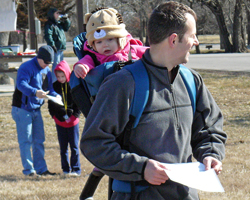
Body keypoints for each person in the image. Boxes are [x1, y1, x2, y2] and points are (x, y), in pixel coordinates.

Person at [80, 2, 227, 200]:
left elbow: (210, 128)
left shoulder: (192, 80)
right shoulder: (122, 84)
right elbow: (94, 143)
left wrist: (211, 154)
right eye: (192, 35)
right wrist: (141, 168)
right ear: (174, 40)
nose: (196, 41)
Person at [11, 45, 60, 176]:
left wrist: (56, 95)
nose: (47, 65)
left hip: (36, 109)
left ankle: (42, 169)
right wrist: (34, 92)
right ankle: (29, 171)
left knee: (39, 140)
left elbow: (50, 88)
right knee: (25, 141)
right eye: (46, 62)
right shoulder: (26, 67)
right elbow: (21, 84)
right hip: (22, 109)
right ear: (39, 58)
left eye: (49, 63)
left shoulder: (47, 71)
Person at [73, 7, 148, 79]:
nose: (105, 45)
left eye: (110, 39)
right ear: (93, 45)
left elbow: (151, 53)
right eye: (99, 42)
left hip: (135, 87)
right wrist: (80, 66)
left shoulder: (131, 49)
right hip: (110, 89)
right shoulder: (94, 57)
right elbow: (85, 62)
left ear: (119, 39)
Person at [48, 60, 81, 176]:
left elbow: (79, 103)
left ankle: (76, 169)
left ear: (67, 74)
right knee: (63, 148)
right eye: (58, 76)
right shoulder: (54, 86)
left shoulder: (73, 85)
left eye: (63, 76)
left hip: (73, 122)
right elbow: (50, 103)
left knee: (74, 146)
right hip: (60, 122)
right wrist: (54, 116)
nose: (60, 79)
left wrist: (74, 115)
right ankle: (65, 169)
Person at [44, 7, 71, 83]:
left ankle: (60, 81)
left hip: (61, 48)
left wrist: (66, 20)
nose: (58, 15)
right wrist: (52, 45)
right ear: (52, 14)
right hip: (55, 48)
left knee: (61, 66)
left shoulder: (59, 24)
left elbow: (66, 27)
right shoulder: (49, 24)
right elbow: (48, 35)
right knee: (56, 66)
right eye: (57, 13)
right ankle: (54, 83)